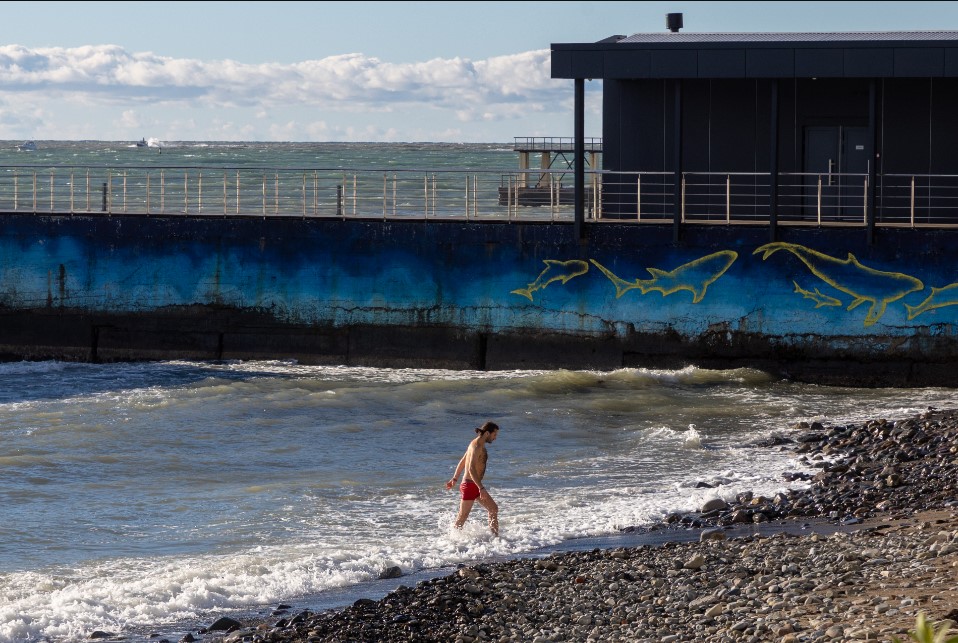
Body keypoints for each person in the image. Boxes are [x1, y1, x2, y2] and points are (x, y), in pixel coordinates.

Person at [445, 421, 500, 536]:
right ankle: (451, 541)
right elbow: (470, 468)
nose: (495, 438)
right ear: (487, 433)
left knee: (493, 509)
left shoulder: (475, 444)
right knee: (462, 517)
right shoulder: (476, 446)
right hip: (470, 486)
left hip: (474, 484)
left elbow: (463, 461)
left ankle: (495, 539)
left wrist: (455, 478)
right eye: (494, 435)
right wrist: (481, 488)